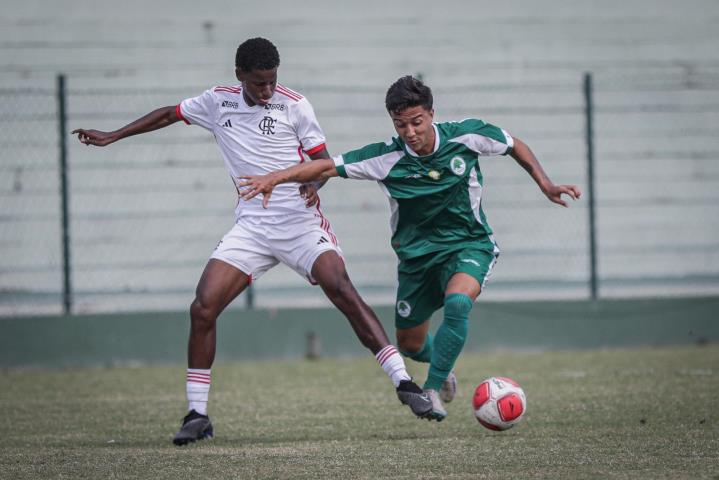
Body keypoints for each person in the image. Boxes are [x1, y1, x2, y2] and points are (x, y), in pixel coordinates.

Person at [71, 40, 432, 445]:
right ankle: (197, 414)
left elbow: (323, 161)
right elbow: (168, 115)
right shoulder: (217, 102)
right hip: (251, 228)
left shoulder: (295, 105)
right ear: (240, 75)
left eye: (273, 81)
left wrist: (314, 183)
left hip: (298, 222)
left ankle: (404, 383)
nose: (267, 90)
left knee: (340, 287)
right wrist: (113, 136)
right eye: (259, 83)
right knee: (203, 306)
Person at [238, 75, 582, 421]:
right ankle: (442, 366)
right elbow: (328, 166)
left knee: (458, 303)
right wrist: (274, 178)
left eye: (417, 122)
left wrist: (546, 184)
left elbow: (513, 144)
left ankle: (431, 391)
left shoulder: (466, 136)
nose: (410, 132)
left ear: (432, 113)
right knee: (410, 344)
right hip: (416, 260)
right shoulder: (385, 157)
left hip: (468, 244)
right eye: (401, 125)